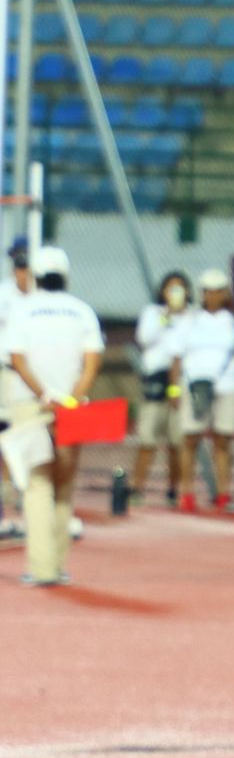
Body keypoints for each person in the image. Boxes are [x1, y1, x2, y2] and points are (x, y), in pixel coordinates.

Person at [3, 246, 103, 588]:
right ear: (65, 275)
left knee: (37, 484)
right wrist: (70, 399)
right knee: (64, 486)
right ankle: (58, 566)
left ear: (36, 275)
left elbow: (17, 360)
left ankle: (42, 568)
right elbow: (91, 363)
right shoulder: (82, 312)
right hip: (72, 406)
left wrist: (44, 394)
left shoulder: (23, 311)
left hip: (31, 405)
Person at [168, 269, 234, 512]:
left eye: (217, 292)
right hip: (195, 385)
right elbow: (176, 357)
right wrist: (173, 390)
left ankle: (223, 492)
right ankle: (186, 492)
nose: (212, 296)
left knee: (223, 440)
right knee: (190, 439)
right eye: (208, 292)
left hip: (227, 385)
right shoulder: (189, 320)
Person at [131, 270, 192, 507]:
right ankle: (137, 488)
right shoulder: (153, 313)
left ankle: (174, 489)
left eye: (179, 288)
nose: (175, 293)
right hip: (155, 379)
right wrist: (167, 316)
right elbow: (145, 338)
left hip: (180, 381)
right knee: (147, 438)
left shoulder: (192, 317)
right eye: (170, 288)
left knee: (177, 441)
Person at [0, 237, 35, 538]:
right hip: (5, 373)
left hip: (32, 376)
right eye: (18, 265)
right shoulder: (3, 294)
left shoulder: (42, 298)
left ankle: (27, 495)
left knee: (29, 435)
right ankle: (5, 495)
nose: (22, 271)